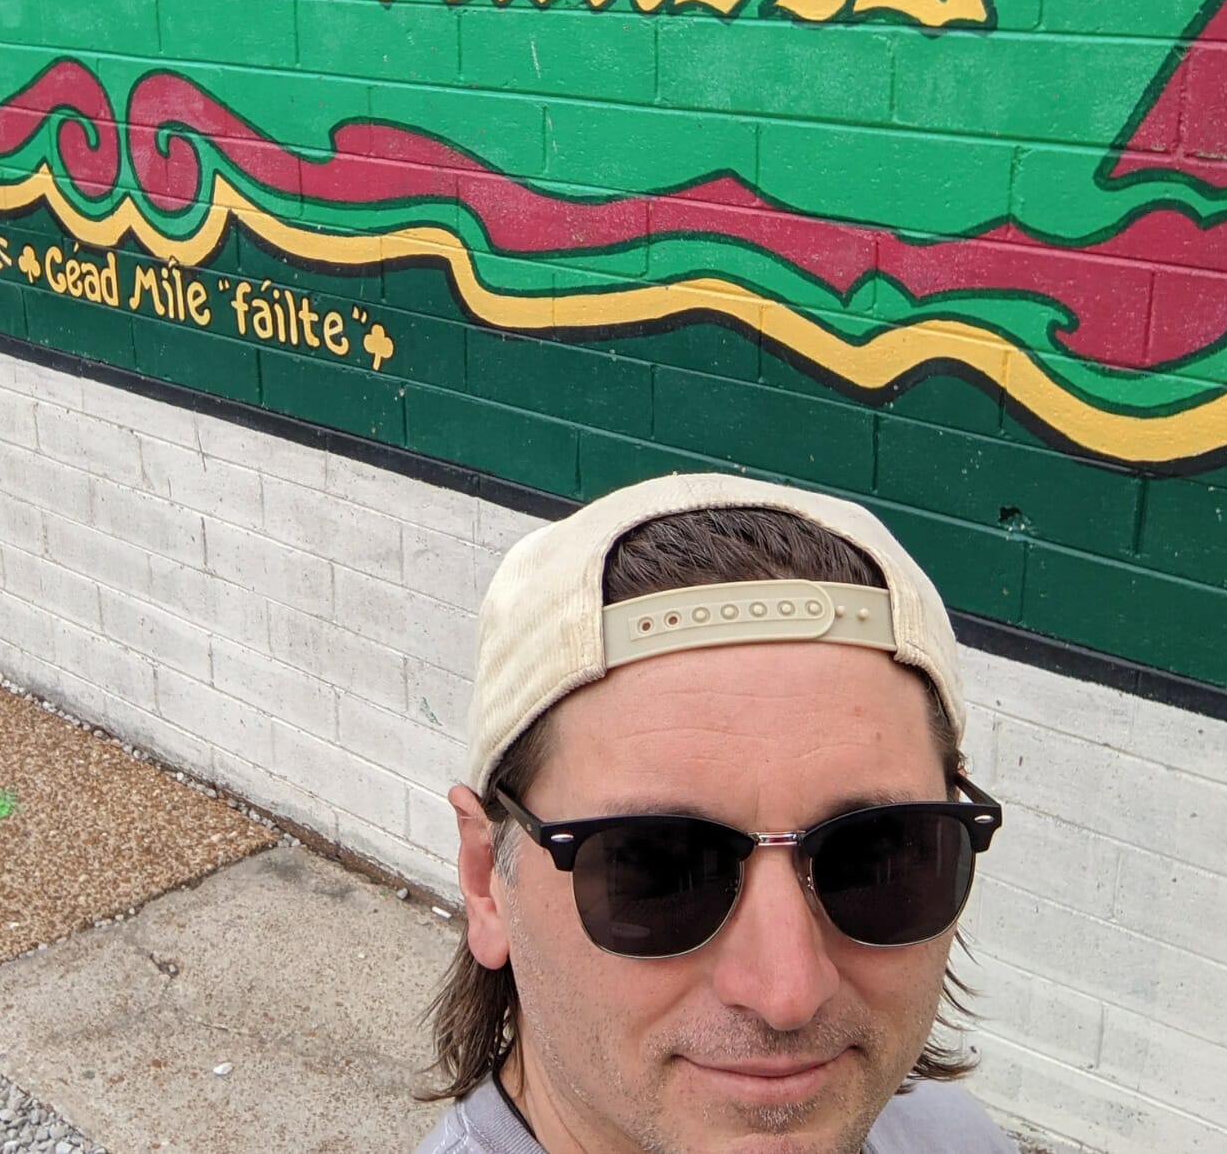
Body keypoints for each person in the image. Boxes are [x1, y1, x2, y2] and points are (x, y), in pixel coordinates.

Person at [416, 473, 1016, 1154]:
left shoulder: (949, 1132)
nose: (786, 994)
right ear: (485, 881)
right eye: (659, 873)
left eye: (874, 859)